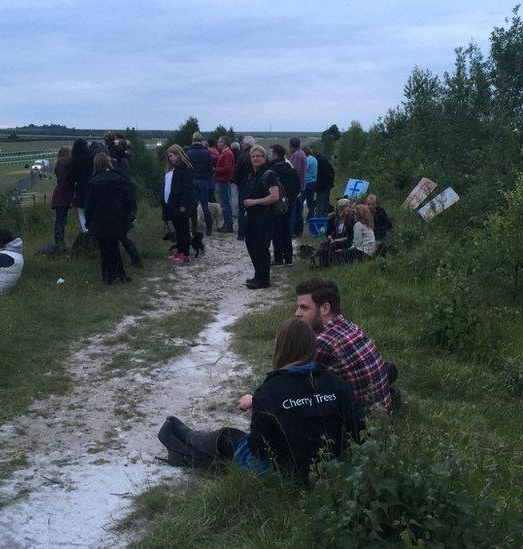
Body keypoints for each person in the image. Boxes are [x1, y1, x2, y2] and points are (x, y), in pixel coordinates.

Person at [159, 318, 363, 483]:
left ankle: (184, 438)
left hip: (285, 475)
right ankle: (183, 451)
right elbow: (358, 429)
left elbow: (258, 448)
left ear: (281, 348)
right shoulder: (337, 384)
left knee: (230, 438)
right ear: (312, 347)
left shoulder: (268, 392)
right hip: (331, 467)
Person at [294, 278, 394, 410]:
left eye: (304, 308)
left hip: (359, 423)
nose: (297, 313)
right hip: (381, 414)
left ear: (325, 308)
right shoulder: (349, 326)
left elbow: (293, 384)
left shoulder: (323, 342)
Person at [84, 153, 136, 284]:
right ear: (109, 163)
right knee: (114, 246)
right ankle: (120, 274)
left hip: (100, 219)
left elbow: (89, 205)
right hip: (118, 217)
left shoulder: (93, 181)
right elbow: (128, 199)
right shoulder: (119, 178)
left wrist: (88, 221)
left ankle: (108, 275)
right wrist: (129, 215)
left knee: (105, 248)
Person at [242, 145, 281, 289]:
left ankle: (264, 280)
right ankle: (258, 275)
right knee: (251, 247)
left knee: (262, 249)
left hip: (264, 217)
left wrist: (255, 202)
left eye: (259, 156)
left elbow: (275, 196)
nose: (255, 158)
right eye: (253, 156)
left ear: (265, 158)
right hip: (251, 217)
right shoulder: (252, 174)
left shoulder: (269, 174)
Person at [267, 144, 299, 267]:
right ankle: (289, 258)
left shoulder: (272, 170)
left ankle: (278, 259)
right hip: (289, 204)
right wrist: (289, 199)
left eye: (270, 154)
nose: (268, 156)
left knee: (276, 231)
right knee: (286, 230)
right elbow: (297, 187)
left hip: (275, 204)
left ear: (275, 155)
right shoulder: (291, 169)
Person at [162, 144, 195, 263]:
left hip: (181, 205)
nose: (170, 158)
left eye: (171, 156)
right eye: (169, 156)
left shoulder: (185, 168)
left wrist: (183, 205)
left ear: (177, 154)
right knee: (178, 229)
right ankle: (179, 251)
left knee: (184, 230)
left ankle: (185, 253)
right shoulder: (176, 168)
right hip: (174, 203)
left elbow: (187, 189)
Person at [186, 132, 214, 235]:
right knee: (205, 206)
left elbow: (187, 168)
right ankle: (209, 230)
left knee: (193, 206)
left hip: (193, 181)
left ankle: (194, 228)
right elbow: (210, 168)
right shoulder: (207, 152)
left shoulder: (188, 153)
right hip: (203, 181)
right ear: (202, 140)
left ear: (192, 140)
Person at [68, 139, 93, 235]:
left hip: (80, 188)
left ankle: (86, 231)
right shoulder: (90, 158)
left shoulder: (73, 161)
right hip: (91, 186)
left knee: (81, 211)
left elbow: (70, 177)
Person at [233, 136, 256, 241]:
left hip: (242, 185)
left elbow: (237, 171)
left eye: (243, 143)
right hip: (254, 185)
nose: (242, 145)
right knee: (253, 208)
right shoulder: (256, 156)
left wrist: (235, 181)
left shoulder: (242, 156)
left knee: (242, 209)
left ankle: (241, 233)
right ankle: (252, 232)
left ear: (247, 144)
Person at [50, 147, 73, 250]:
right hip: (62, 196)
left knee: (61, 220)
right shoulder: (63, 163)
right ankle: (59, 242)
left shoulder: (60, 163)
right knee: (60, 221)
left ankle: (59, 242)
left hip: (61, 195)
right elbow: (64, 181)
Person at [213, 136, 235, 233]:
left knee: (225, 204)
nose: (217, 144)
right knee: (224, 203)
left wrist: (215, 169)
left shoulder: (227, 154)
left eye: (219, 142)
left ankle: (228, 224)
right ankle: (227, 223)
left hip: (223, 181)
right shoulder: (225, 153)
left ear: (224, 143)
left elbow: (228, 168)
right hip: (221, 180)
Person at [288, 137, 307, 237]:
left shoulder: (297, 155)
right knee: (298, 209)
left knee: (295, 209)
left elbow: (294, 172)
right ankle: (298, 230)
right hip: (301, 185)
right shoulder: (301, 153)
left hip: (297, 186)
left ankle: (295, 231)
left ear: (291, 145)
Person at [315, 152, 336, 216]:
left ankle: (319, 216)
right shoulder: (324, 160)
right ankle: (326, 215)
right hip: (328, 183)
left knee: (320, 201)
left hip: (322, 184)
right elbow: (331, 171)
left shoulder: (317, 160)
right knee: (325, 200)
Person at [303, 146, 319, 220]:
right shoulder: (314, 159)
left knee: (302, 200)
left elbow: (304, 169)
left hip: (307, 182)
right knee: (310, 200)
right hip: (313, 181)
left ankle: (302, 216)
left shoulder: (307, 160)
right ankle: (311, 215)